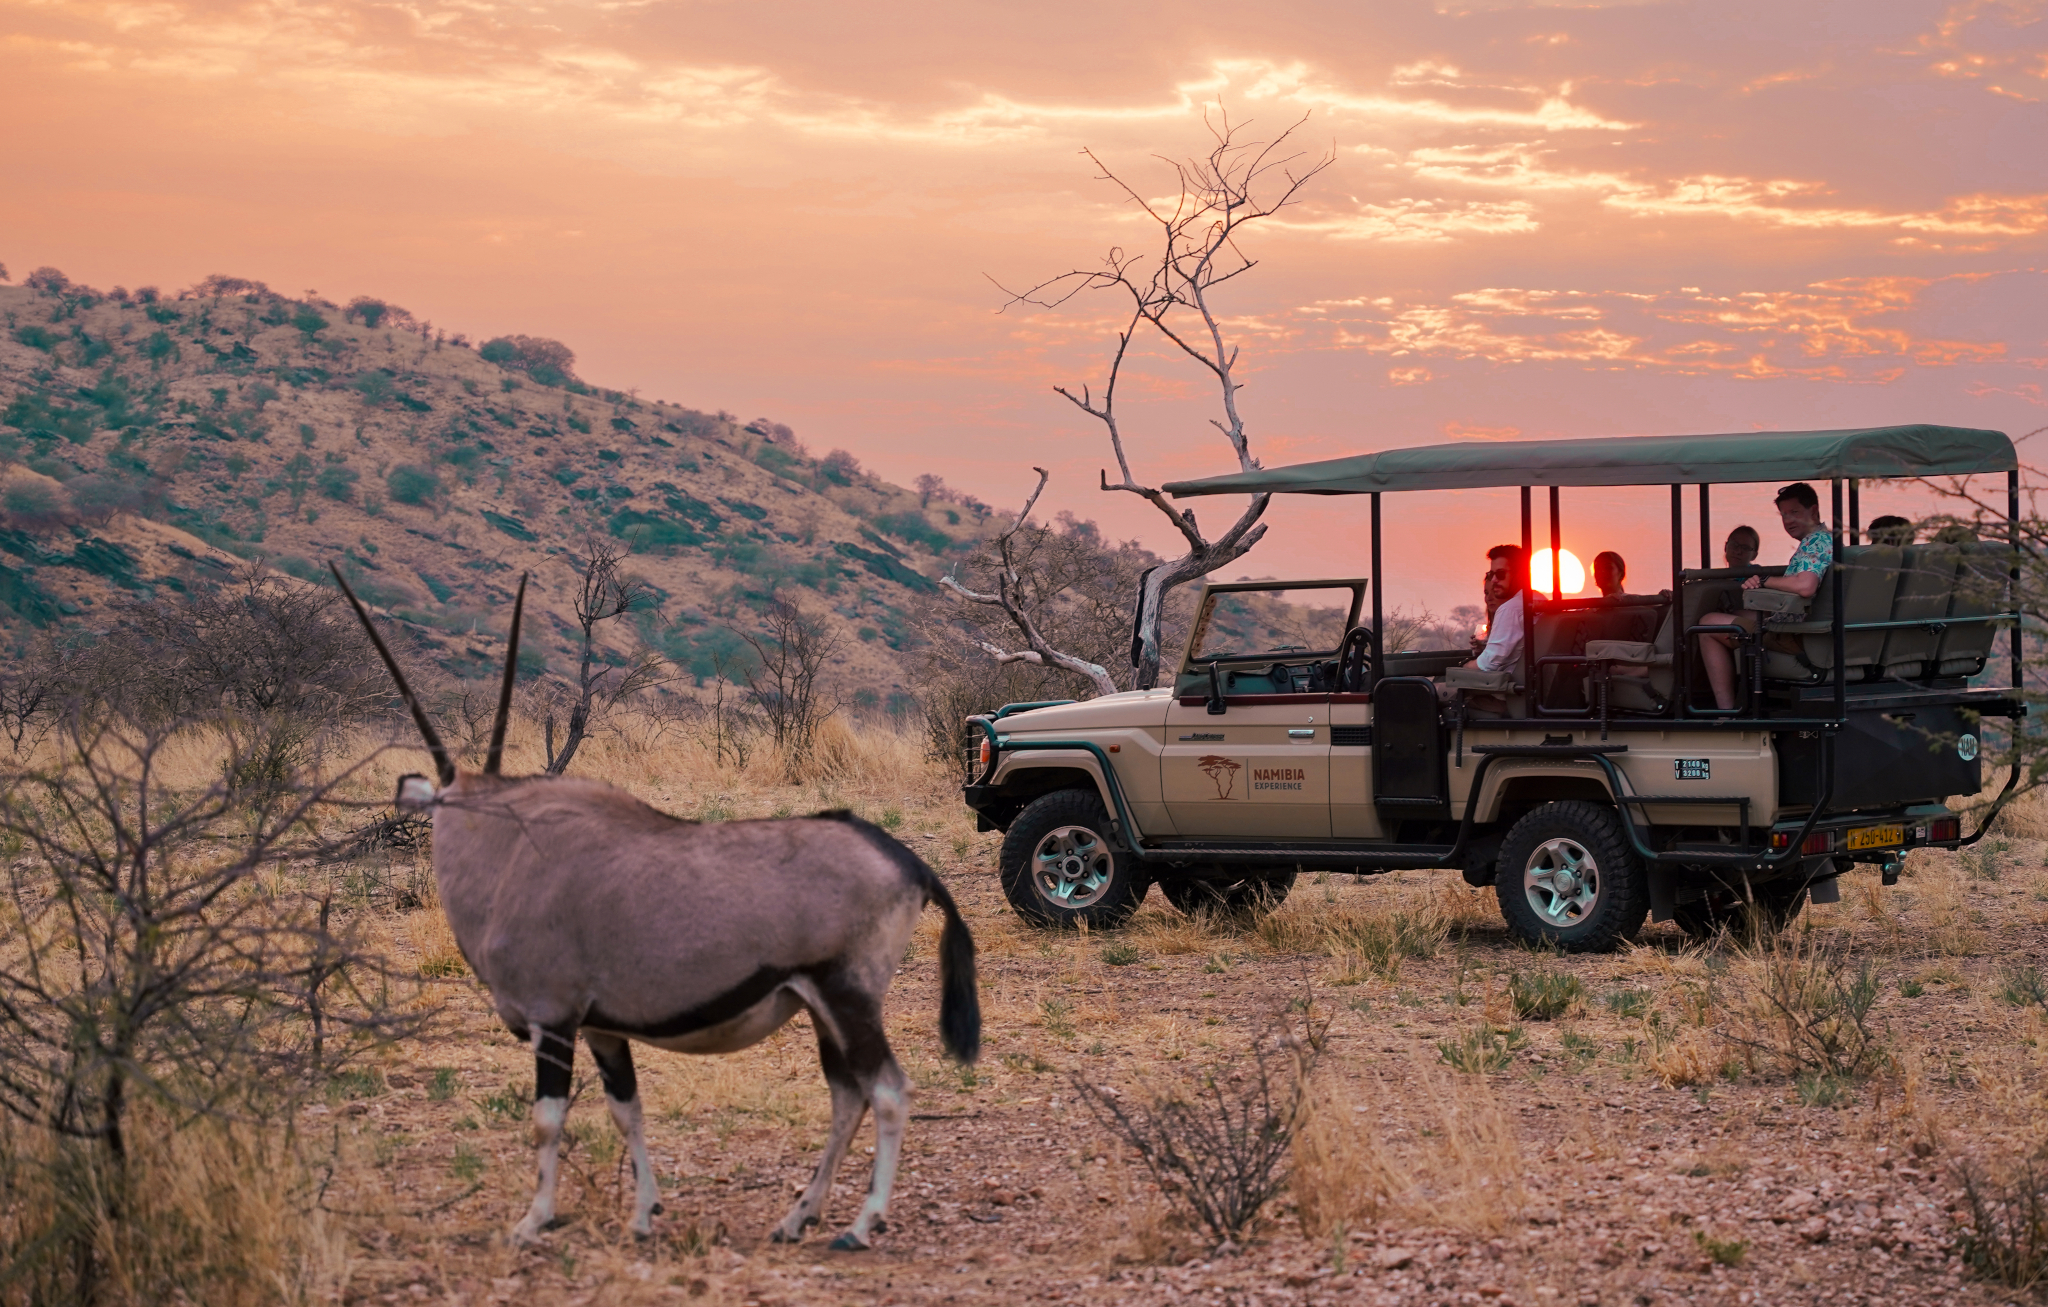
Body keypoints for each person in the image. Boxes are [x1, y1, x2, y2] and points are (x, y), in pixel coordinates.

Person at [1696, 483, 1831, 711]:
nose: (1788, 520)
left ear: (1814, 511)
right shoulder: (1826, 540)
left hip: (1793, 636)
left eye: (1795, 512)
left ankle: (1726, 713)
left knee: (1707, 624)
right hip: (1799, 628)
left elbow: (1806, 586)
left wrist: (1764, 580)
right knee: (1736, 614)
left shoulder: (1815, 543)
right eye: (1784, 514)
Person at [1475, 545, 1526, 673]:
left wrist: (1461, 666)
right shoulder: (1538, 600)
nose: (1494, 580)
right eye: (1491, 574)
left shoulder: (1510, 609)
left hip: (1506, 687)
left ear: (1520, 574)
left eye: (1500, 574)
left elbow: (1487, 665)